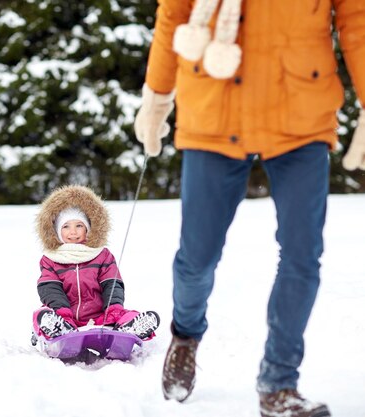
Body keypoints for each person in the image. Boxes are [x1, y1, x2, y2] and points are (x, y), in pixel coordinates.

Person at [134, 0, 365, 416]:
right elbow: (174, 14)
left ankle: (279, 383)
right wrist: (156, 97)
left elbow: (357, 21)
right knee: (197, 257)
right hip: (214, 106)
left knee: (302, 255)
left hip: (301, 110)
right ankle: (185, 335)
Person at [32, 185, 160, 343]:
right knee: (40, 314)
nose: (73, 232)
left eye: (79, 226)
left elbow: (112, 284)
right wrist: (62, 313)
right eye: (66, 226)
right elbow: (50, 289)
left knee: (124, 314)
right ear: (57, 232)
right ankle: (58, 330)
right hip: (66, 318)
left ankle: (130, 328)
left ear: (88, 229)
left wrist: (113, 310)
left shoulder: (101, 255)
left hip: (102, 318)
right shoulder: (51, 259)